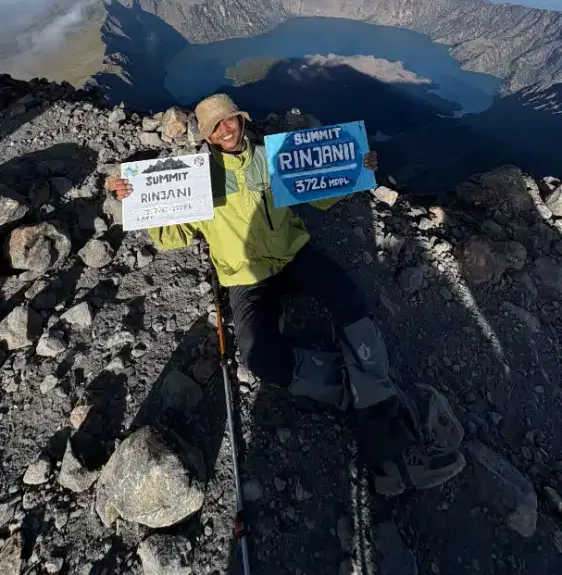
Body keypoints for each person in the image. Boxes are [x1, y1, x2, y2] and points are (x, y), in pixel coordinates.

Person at [107, 93, 465, 496]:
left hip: (292, 252)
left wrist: (355, 169)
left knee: (348, 297)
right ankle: (362, 394)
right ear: (206, 136)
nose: (225, 129)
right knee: (258, 356)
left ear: (240, 120)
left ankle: (379, 420)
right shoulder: (193, 178)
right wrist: (128, 200)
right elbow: (173, 233)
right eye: (215, 127)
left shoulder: (272, 157)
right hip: (245, 275)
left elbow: (317, 187)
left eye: (230, 121)